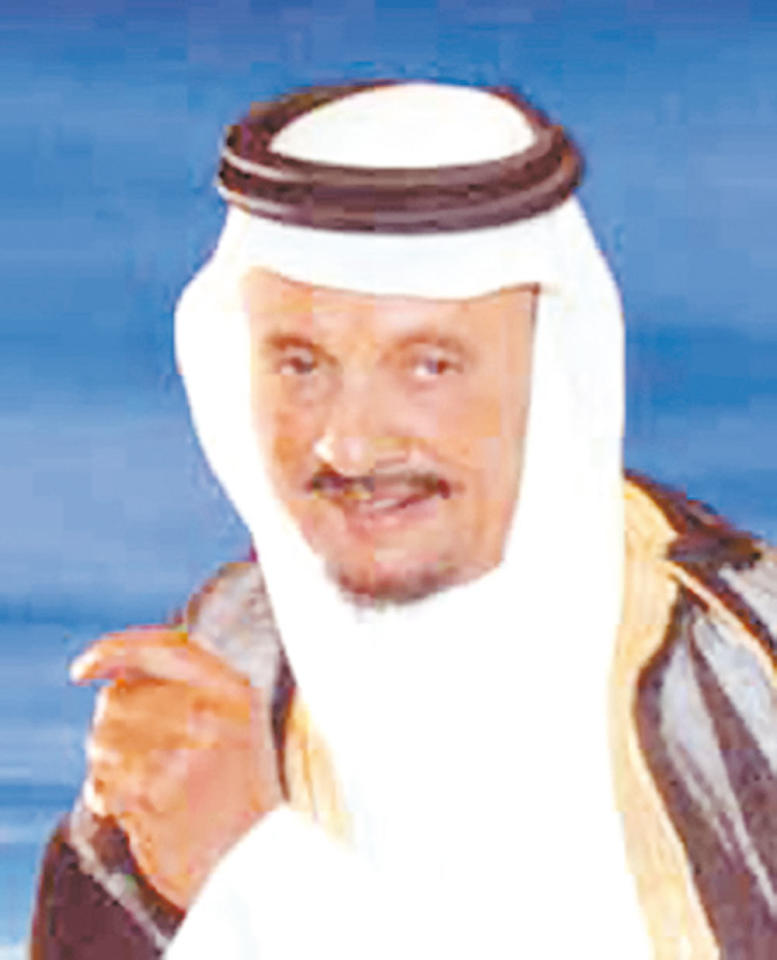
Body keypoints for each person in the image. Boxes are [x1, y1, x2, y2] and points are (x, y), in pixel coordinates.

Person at [30, 80, 777, 959]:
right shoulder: (217, 679)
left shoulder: (742, 661)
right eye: (299, 365)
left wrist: (258, 880)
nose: (348, 444)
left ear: (546, 375)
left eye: (428, 366)